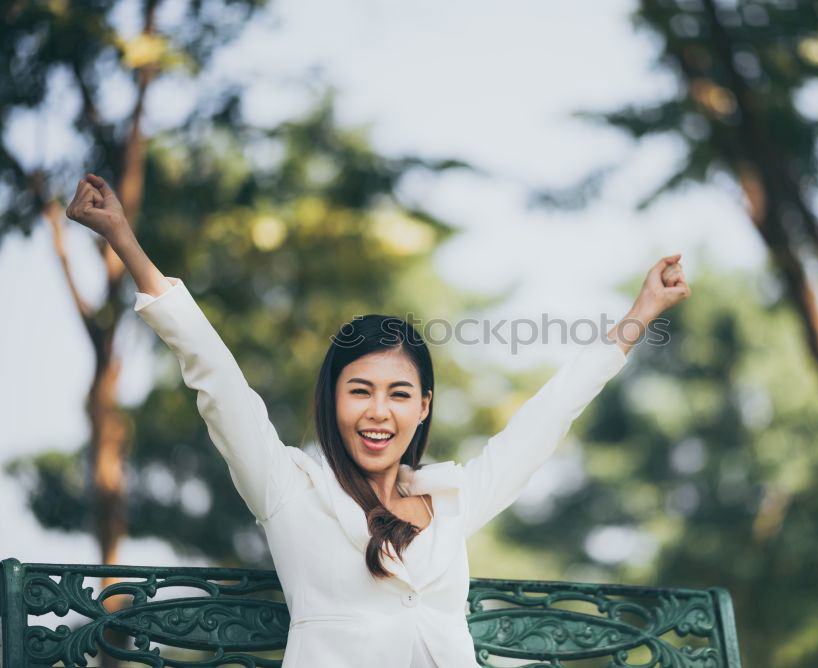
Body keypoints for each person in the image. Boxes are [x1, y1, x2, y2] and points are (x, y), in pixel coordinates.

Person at [65, 173, 691, 667]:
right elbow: (218, 381)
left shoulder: (452, 500)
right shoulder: (288, 488)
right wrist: (124, 239)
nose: (377, 412)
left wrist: (640, 312)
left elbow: (546, 417)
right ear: (332, 402)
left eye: (398, 394)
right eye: (359, 390)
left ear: (422, 409)